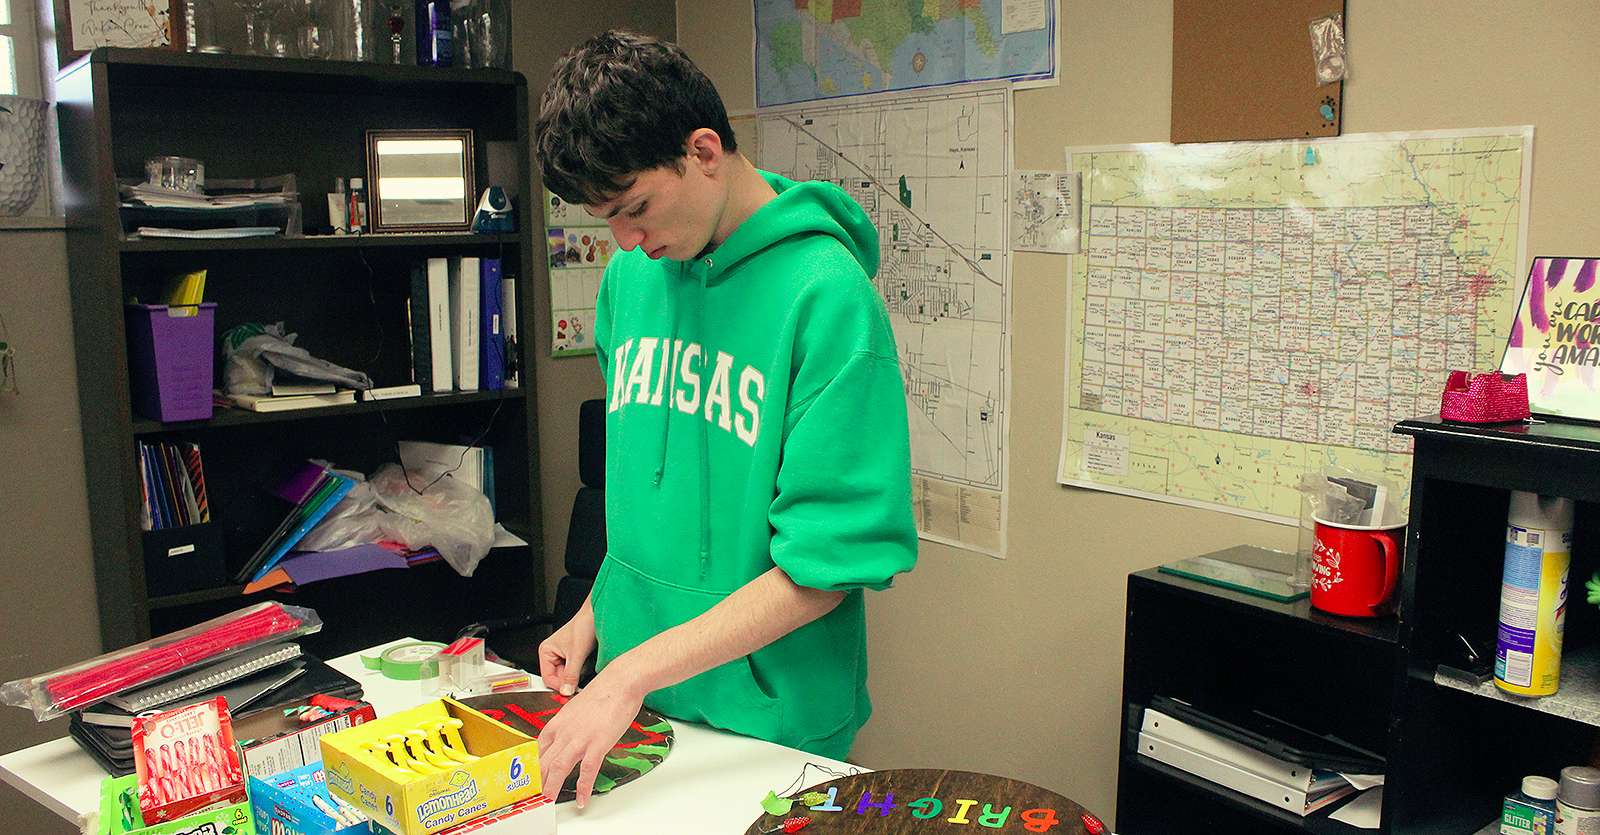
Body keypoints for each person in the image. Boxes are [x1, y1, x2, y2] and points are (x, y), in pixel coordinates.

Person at [530, 30, 918, 807]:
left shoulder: (828, 299)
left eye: (636, 207)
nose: (628, 242)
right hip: (646, 709)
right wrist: (595, 612)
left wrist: (633, 671)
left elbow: (825, 571)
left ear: (705, 150)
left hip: (772, 728)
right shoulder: (632, 281)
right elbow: (652, 498)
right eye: (608, 218)